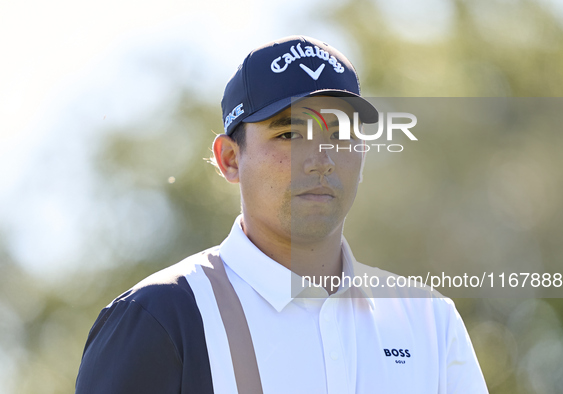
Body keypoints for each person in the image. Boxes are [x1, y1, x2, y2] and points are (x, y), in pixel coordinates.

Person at [75, 35, 488, 393]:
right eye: (289, 134)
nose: (320, 159)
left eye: (340, 134)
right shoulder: (161, 318)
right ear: (230, 158)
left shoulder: (430, 321)